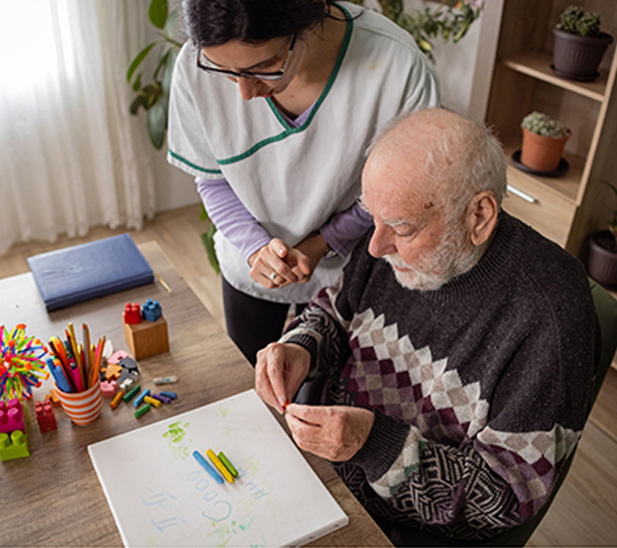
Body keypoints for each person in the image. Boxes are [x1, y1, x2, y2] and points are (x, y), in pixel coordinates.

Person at [255, 108, 599, 544]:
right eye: (372, 219)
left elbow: (508, 495)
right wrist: (301, 347)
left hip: (404, 529)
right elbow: (334, 312)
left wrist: (372, 445)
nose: (376, 247)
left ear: (479, 217)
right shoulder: (390, 233)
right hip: (321, 469)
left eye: (402, 228)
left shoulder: (550, 317)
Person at [167, 0, 440, 365]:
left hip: (351, 272)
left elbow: (396, 194)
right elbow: (214, 178)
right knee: (253, 384)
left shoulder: (395, 68)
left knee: (327, 396)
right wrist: (256, 248)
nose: (245, 93)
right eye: (226, 72)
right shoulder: (193, 68)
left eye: (267, 66)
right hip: (250, 265)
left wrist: (322, 243)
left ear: (313, 14)